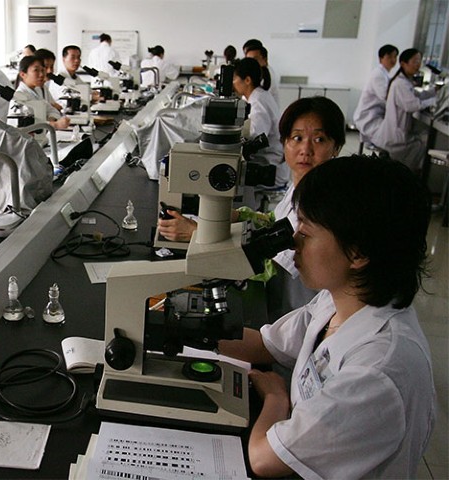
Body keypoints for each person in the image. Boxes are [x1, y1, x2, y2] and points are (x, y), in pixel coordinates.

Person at [217, 155, 434, 479]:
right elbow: (266, 344)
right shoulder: (341, 301)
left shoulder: (378, 370)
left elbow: (264, 458)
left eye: (305, 230)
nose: (293, 244)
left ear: (358, 252)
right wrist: (179, 324)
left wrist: (276, 398)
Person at [160, 96, 346, 318]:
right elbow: (275, 222)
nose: (305, 149)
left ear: (336, 147)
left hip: (292, 313)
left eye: (319, 139)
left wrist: (197, 234)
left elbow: (268, 267)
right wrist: (237, 215)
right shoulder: (301, 185)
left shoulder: (323, 203)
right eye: (297, 138)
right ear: (285, 142)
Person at [372, 48, 437, 174]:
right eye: (415, 61)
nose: (418, 65)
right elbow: (412, 105)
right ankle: (407, 177)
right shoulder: (400, 83)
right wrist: (433, 100)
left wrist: (433, 92)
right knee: (421, 143)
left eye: (419, 61)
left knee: (420, 140)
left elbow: (416, 95)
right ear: (403, 64)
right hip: (395, 136)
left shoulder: (404, 82)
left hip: (393, 132)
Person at [232, 57, 289, 190]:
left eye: (235, 79)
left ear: (247, 80)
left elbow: (254, 138)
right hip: (268, 162)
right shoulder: (259, 95)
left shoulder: (258, 102)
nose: (233, 83)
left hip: (270, 169)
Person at [353, 44, 399, 145]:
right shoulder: (378, 74)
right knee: (392, 139)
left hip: (375, 115)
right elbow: (386, 96)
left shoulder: (385, 74)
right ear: (381, 58)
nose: (393, 59)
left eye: (395, 56)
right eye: (389, 56)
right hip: (368, 117)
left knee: (394, 135)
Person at [13, 55, 70, 130]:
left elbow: (52, 110)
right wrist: (54, 125)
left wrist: (50, 119)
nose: (41, 75)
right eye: (36, 70)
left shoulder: (38, 90)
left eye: (43, 70)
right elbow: (28, 123)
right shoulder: (19, 96)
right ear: (23, 74)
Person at [35, 48, 63, 113]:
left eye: (52, 67)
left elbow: (57, 108)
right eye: (46, 67)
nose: (50, 71)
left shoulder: (44, 88)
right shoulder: (33, 89)